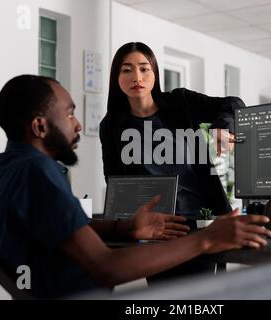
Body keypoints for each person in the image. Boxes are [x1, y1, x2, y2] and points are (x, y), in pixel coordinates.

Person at [0, 75, 271, 299]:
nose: (77, 125)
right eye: (70, 114)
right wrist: (205, 239)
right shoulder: (38, 173)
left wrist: (124, 229)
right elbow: (107, 268)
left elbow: (66, 230)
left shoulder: (7, 172)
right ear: (39, 127)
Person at [100, 42, 244, 224]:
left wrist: (223, 128)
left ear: (155, 74)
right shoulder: (111, 125)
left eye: (144, 69)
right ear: (116, 77)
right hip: (154, 227)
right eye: (127, 70)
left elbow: (233, 103)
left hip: (201, 220)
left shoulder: (181, 103)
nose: (137, 77)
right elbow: (114, 183)